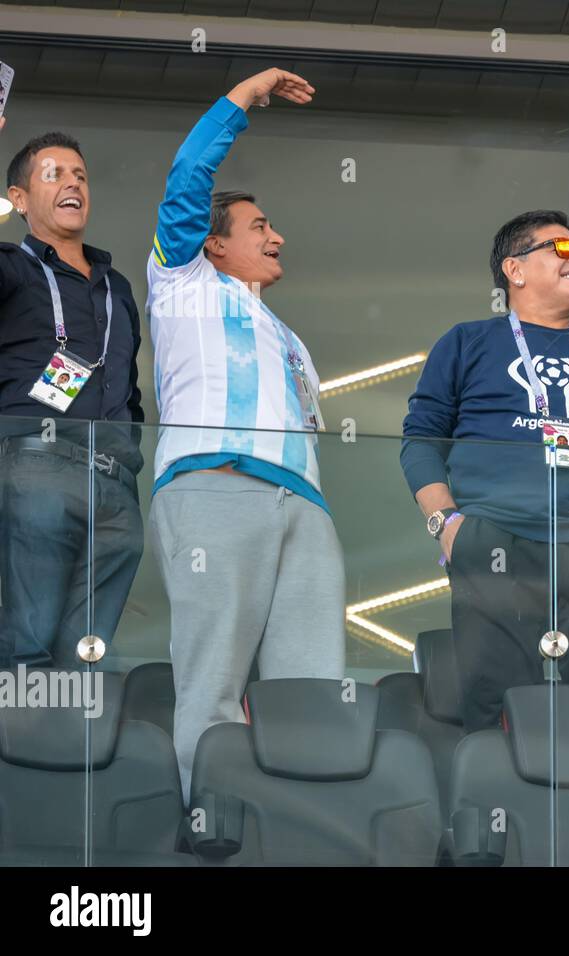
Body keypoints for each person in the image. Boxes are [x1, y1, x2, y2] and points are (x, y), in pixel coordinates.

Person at [146, 68, 343, 801]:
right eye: (260, 226)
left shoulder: (287, 335)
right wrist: (241, 97)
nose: (277, 235)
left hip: (305, 507)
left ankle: (303, 830)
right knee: (214, 681)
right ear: (213, 244)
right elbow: (188, 175)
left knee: (311, 691)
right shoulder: (182, 283)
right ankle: (210, 824)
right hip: (216, 488)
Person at [402, 210, 569, 732]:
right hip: (496, 543)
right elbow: (420, 442)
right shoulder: (465, 342)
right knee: (496, 710)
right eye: (560, 249)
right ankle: (499, 815)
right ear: (515, 270)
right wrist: (449, 526)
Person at [0, 115, 144, 668]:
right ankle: (18, 751)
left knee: (86, 657)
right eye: (54, 174)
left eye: (80, 175)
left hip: (115, 483)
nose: (73, 184)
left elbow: (127, 387)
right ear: (18, 198)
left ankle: (62, 746)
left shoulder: (117, 285)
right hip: (37, 466)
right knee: (29, 641)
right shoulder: (13, 269)